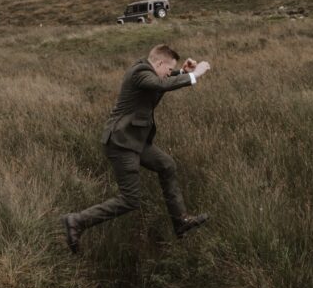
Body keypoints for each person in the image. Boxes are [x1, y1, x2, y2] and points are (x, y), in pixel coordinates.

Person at [62, 44, 211, 254]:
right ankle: (76, 221)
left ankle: (181, 221)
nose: (169, 73)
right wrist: (195, 75)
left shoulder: (150, 73)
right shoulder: (140, 72)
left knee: (167, 165)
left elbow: (161, 80)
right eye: (169, 69)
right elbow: (160, 84)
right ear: (159, 63)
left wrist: (182, 73)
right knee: (130, 199)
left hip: (136, 141)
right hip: (121, 143)